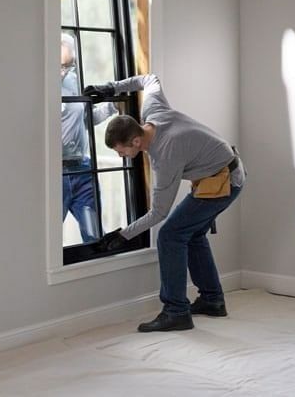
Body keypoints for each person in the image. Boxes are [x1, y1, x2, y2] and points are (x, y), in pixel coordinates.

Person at [84, 74, 245, 332]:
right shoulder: (152, 110)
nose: (120, 155)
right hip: (217, 174)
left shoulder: (165, 155)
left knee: (170, 235)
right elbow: (149, 79)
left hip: (225, 182)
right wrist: (111, 88)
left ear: (136, 141)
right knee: (191, 234)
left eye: (120, 150)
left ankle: (176, 312)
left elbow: (159, 212)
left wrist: (123, 235)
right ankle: (212, 300)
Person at [61, 33, 116, 243]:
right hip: (54, 174)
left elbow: (85, 119)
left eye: (70, 65)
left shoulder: (74, 81)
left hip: (83, 170)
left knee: (94, 237)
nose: (65, 71)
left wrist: (112, 106)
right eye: (61, 66)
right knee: (45, 241)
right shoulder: (40, 87)